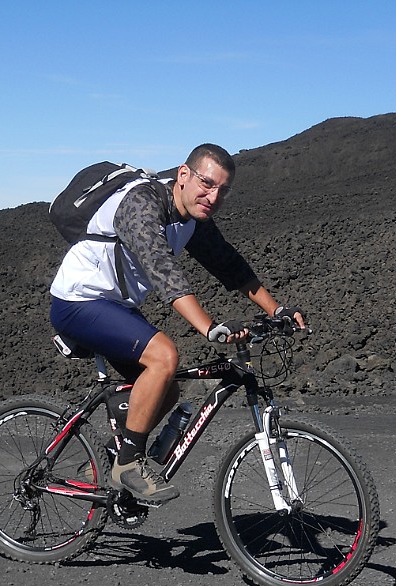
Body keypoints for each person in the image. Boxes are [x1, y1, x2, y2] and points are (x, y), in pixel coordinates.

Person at [49, 143, 305, 503]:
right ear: (183, 174)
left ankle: (117, 450)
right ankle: (128, 466)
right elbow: (163, 271)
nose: (213, 196)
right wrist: (208, 327)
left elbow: (229, 266)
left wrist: (276, 310)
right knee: (164, 357)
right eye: (207, 183)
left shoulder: (192, 217)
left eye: (223, 190)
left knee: (165, 388)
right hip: (79, 300)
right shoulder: (141, 203)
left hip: (115, 305)